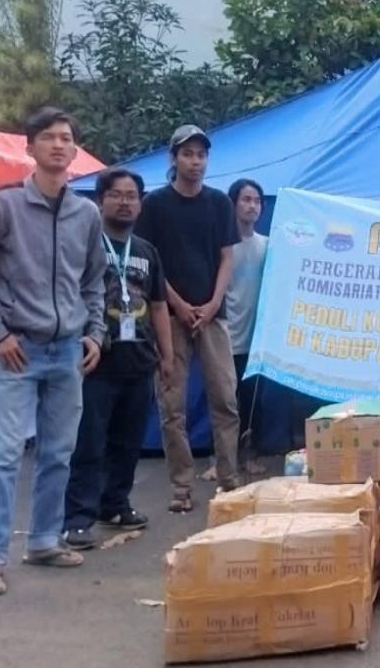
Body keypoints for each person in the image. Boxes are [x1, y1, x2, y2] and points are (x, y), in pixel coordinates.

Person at [0, 108, 106, 597]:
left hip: (67, 350)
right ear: (29, 148)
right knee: (5, 456)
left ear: (74, 150)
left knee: (58, 452)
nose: (58, 144)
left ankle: (44, 541)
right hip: (16, 349)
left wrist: (95, 333)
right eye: (48, 137)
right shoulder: (6, 203)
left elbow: (95, 279)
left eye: (66, 138)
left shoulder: (86, 214)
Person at [62, 169, 174, 549]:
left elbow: (158, 305)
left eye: (132, 196)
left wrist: (167, 356)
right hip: (95, 361)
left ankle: (115, 505)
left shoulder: (147, 251)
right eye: (116, 195)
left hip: (139, 360)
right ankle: (78, 519)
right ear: (100, 201)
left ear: (141, 204)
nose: (125, 202)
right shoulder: (86, 245)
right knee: (89, 444)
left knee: (128, 443)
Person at [134, 125, 241, 513]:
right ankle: (181, 486)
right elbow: (149, 261)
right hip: (168, 315)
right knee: (172, 405)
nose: (195, 162)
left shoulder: (219, 203)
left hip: (213, 314)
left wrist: (213, 303)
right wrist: (177, 303)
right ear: (174, 158)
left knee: (225, 399)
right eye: (188, 154)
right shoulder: (155, 204)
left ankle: (229, 482)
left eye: (201, 155)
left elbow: (227, 257)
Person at [225, 178, 269, 476]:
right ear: (233, 204)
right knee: (223, 402)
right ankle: (221, 460)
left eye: (257, 201)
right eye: (246, 199)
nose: (252, 206)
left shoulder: (267, 245)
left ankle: (249, 456)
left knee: (253, 403)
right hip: (224, 335)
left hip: (257, 339)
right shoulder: (221, 245)